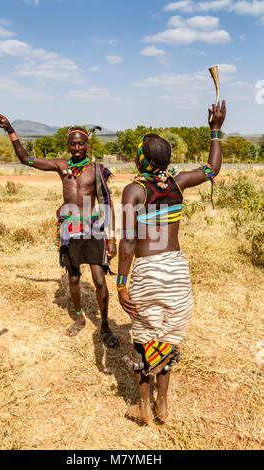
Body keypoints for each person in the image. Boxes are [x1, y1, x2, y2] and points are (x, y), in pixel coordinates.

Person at [117, 101, 226, 423]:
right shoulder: (178, 183)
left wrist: (122, 284)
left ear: (141, 159)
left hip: (148, 270)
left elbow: (127, 242)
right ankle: (163, 405)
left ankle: (144, 407)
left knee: (143, 337)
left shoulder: (133, 190)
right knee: (166, 336)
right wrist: (215, 128)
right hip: (177, 267)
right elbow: (212, 169)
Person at [0, 115, 118, 348]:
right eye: (73, 143)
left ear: (88, 145)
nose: (77, 147)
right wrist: (10, 129)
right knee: (73, 278)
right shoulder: (62, 167)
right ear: (68, 145)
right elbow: (25, 159)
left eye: (81, 143)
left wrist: (112, 238)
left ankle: (104, 324)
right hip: (70, 230)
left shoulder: (97, 170)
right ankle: (80, 317)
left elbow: (107, 203)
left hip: (92, 229)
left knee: (99, 279)